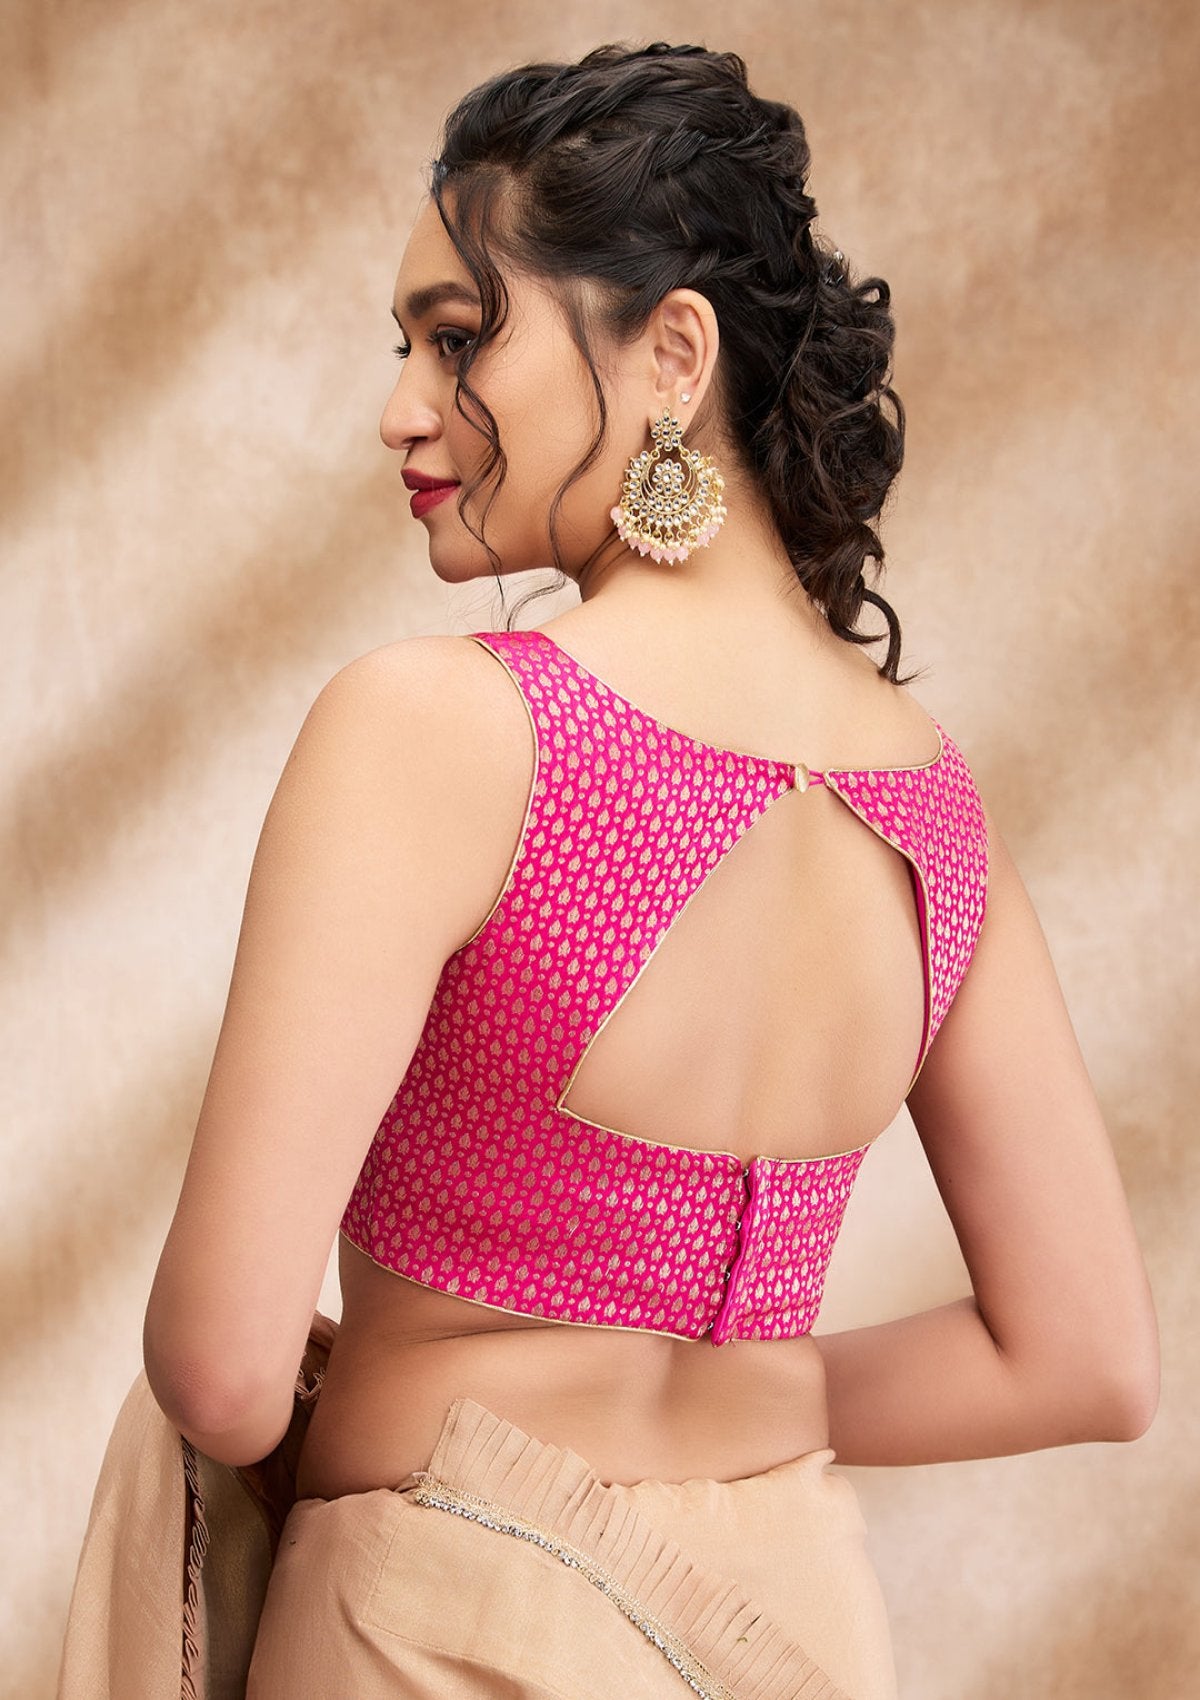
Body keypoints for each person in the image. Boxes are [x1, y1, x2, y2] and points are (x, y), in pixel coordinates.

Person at [131, 40, 1158, 1700]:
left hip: (441, 1626)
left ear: (674, 352)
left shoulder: (444, 730)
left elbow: (221, 1368)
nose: (402, 409)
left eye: (458, 336)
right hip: (787, 1628)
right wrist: (752, 1393)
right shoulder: (933, 810)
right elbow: (1085, 1357)